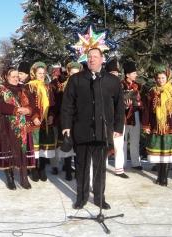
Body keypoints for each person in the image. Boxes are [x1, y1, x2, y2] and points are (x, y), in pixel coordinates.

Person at [61, 48, 125, 209]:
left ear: (102, 59)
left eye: (95, 57)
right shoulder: (76, 79)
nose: (92, 59)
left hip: (102, 131)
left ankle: (99, 198)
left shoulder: (112, 80)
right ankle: (81, 198)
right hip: (81, 130)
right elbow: (67, 105)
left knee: (100, 168)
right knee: (82, 167)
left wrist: (118, 127)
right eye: (89, 57)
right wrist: (66, 126)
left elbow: (119, 106)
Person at [0, 67, 31, 190]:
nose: (16, 78)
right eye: (13, 76)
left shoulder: (23, 88)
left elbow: (31, 104)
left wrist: (29, 110)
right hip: (6, 124)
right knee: (9, 151)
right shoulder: (0, 89)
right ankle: (10, 178)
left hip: (22, 125)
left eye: (18, 76)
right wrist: (15, 110)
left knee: (22, 151)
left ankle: (24, 177)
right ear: (6, 77)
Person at [142, 65, 172, 186]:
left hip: (170, 126)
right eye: (158, 78)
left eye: (163, 78)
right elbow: (147, 110)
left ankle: (165, 176)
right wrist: (146, 125)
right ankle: (159, 175)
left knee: (167, 154)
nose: (160, 80)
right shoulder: (152, 92)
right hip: (155, 126)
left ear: (168, 78)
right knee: (158, 154)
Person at [51, 61, 82, 180]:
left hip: (79, 119)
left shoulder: (83, 84)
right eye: (72, 73)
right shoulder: (63, 86)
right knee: (67, 143)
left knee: (78, 146)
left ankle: (79, 170)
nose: (74, 75)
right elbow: (60, 104)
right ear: (68, 72)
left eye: (77, 73)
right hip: (66, 118)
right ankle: (68, 169)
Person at [27, 62, 56, 182]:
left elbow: (53, 104)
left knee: (44, 147)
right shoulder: (29, 86)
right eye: (39, 73)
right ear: (34, 73)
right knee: (35, 146)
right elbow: (27, 103)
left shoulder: (48, 87)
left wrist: (51, 116)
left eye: (43, 73)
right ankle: (34, 169)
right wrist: (34, 116)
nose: (42, 75)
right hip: (34, 121)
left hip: (45, 122)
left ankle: (42, 168)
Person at [121, 60, 143, 172]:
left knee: (135, 139)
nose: (136, 75)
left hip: (135, 114)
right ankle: (122, 162)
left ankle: (135, 162)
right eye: (134, 73)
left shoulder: (138, 86)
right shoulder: (120, 85)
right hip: (123, 116)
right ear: (127, 74)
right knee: (123, 140)